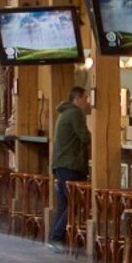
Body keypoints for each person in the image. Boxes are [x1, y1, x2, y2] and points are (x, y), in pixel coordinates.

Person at [47, 84, 92, 244]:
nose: (87, 102)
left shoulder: (63, 112)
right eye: (85, 98)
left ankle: (58, 238)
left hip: (61, 164)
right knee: (75, 202)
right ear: (77, 98)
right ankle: (57, 236)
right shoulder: (74, 113)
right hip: (70, 163)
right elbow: (85, 137)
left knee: (64, 203)